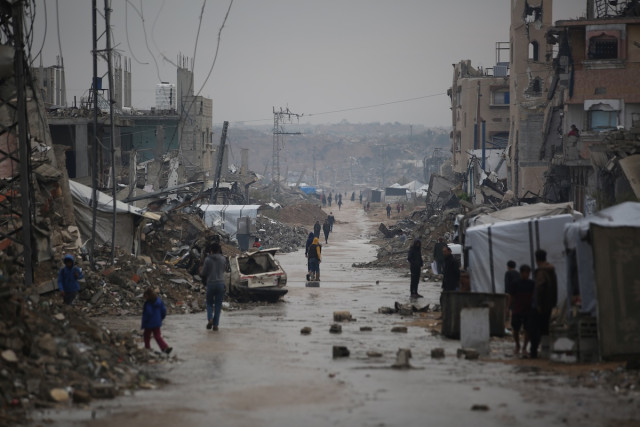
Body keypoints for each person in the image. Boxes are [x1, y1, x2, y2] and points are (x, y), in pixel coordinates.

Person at [528, 249, 558, 358]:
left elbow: (539, 288)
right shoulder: (551, 270)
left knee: (534, 328)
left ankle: (534, 352)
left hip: (539, 306)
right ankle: (545, 351)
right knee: (545, 328)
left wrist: (539, 304)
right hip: (549, 304)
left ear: (536, 259)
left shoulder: (541, 272)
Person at [200, 242, 227, 331]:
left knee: (209, 303)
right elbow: (224, 270)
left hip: (211, 283)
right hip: (220, 284)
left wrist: (201, 273)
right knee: (218, 305)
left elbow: (204, 273)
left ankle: (210, 319)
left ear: (211, 250)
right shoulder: (223, 259)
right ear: (219, 250)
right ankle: (215, 325)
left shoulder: (207, 259)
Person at [510, 265, 535, 356]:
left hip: (528, 310)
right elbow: (512, 296)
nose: (526, 275)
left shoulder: (532, 283)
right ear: (521, 273)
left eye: (528, 273)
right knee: (515, 329)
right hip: (517, 309)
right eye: (524, 273)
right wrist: (508, 308)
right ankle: (517, 345)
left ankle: (524, 347)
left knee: (527, 329)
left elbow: (534, 296)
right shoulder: (515, 283)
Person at [141, 287, 172, 354]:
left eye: (145, 296)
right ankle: (165, 347)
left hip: (149, 323)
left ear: (147, 295)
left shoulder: (148, 303)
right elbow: (164, 310)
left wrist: (144, 322)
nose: (145, 298)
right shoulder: (159, 301)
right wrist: (161, 318)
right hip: (157, 322)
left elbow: (148, 313)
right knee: (157, 336)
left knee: (146, 336)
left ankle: (147, 348)